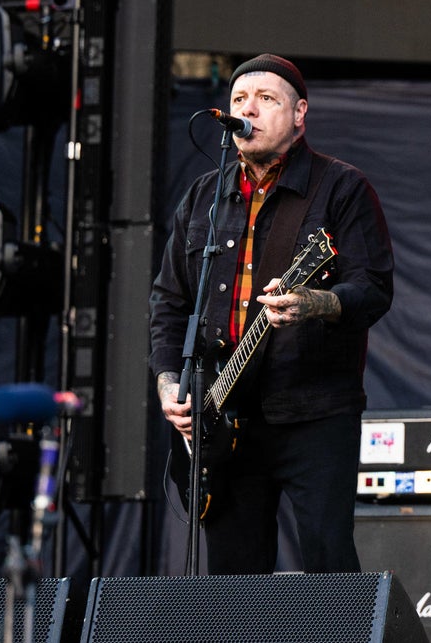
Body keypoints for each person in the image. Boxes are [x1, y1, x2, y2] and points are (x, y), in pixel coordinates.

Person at [149, 54, 393, 574]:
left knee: (329, 566)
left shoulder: (341, 187)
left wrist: (315, 303)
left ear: (300, 113)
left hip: (315, 412)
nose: (248, 110)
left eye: (266, 100)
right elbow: (169, 303)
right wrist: (170, 385)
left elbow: (372, 290)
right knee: (234, 581)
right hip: (223, 417)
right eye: (239, 100)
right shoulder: (203, 198)